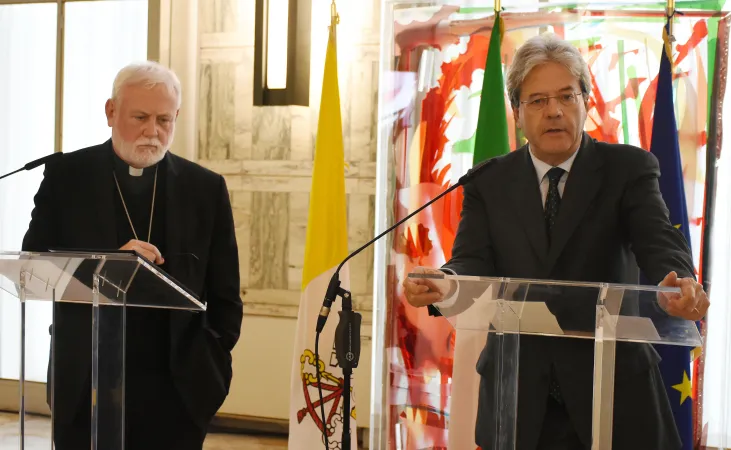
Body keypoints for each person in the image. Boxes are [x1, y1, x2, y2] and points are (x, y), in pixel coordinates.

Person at [403, 33, 709, 450]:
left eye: (567, 96)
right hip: (519, 397)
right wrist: (444, 282)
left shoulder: (627, 170)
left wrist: (678, 281)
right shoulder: (487, 181)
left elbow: (660, 245)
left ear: (585, 101)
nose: (554, 111)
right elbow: (471, 261)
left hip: (613, 394)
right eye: (538, 100)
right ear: (516, 112)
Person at [22, 61, 242, 449]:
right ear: (111, 112)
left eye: (163, 120)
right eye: (140, 116)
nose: (152, 131)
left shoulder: (204, 189)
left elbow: (226, 295)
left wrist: (213, 355)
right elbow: (32, 266)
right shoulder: (67, 177)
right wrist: (106, 261)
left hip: (177, 383)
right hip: (86, 376)